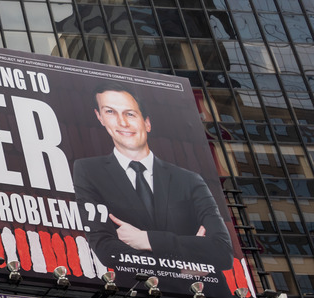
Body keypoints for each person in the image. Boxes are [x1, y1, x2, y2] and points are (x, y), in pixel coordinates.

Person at [72, 82, 233, 280]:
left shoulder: (190, 180)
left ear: (147, 123)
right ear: (100, 117)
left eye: (130, 114)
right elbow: (107, 250)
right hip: (137, 297)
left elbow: (222, 251)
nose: (122, 122)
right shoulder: (88, 171)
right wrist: (181, 267)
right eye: (111, 112)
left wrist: (146, 239)